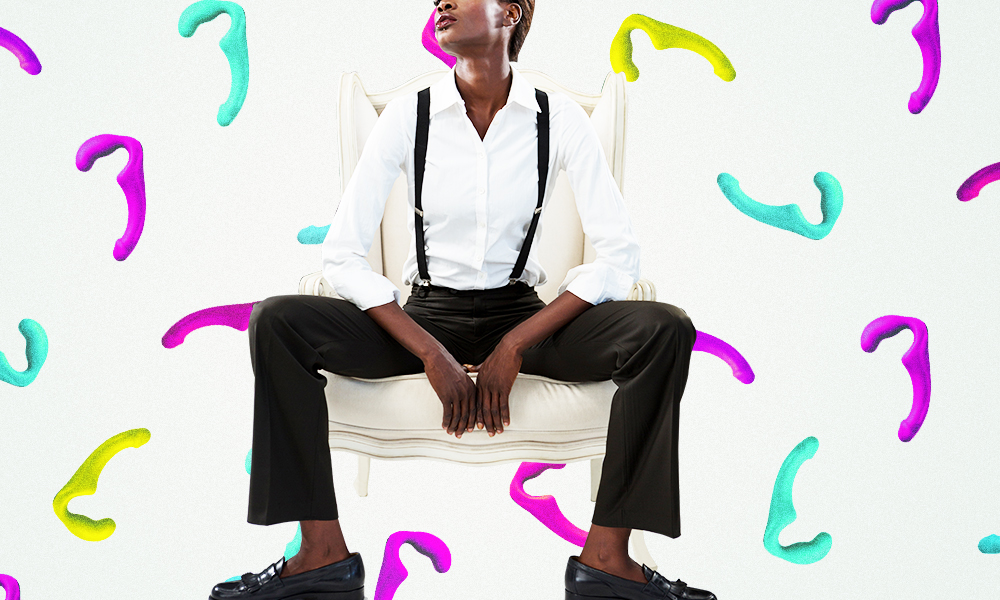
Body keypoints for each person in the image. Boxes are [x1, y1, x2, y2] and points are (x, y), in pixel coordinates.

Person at [210, 1, 713, 599]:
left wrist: (515, 345)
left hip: (525, 316)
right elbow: (341, 255)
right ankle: (320, 557)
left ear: (512, 12)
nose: (440, 3)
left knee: (664, 328)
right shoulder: (408, 115)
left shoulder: (559, 121)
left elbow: (619, 257)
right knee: (277, 321)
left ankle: (607, 560)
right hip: (422, 317)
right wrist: (430, 354)